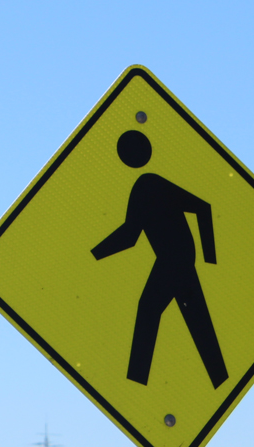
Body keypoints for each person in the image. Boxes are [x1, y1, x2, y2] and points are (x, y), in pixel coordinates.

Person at [92, 130, 228, 388]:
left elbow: (202, 207)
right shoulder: (145, 185)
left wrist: (211, 258)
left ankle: (135, 383)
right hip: (177, 258)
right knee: (197, 321)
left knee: (148, 310)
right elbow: (130, 235)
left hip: (175, 259)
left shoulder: (149, 184)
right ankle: (220, 379)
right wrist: (94, 254)